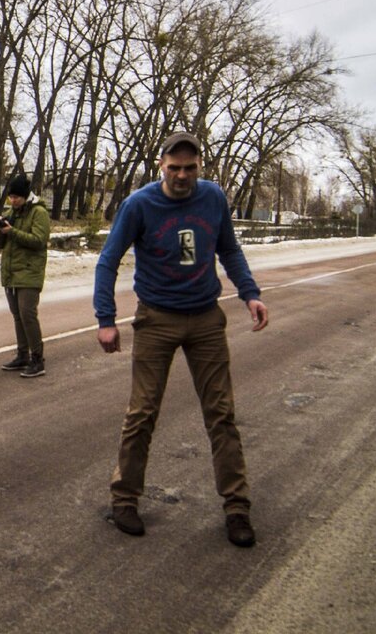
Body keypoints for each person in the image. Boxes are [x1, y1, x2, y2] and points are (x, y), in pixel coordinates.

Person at [94, 131, 269, 548]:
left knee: (221, 414)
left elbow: (229, 250)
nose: (182, 176)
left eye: (190, 168)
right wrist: (106, 318)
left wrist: (251, 294)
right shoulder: (139, 204)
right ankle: (124, 499)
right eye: (174, 168)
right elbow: (108, 260)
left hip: (206, 318)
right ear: (161, 165)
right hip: (156, 319)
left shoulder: (213, 198)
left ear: (200, 167)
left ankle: (237, 508)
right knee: (142, 413)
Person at [0, 174, 51, 378]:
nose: (13, 201)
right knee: (18, 316)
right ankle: (22, 355)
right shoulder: (11, 212)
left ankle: (37, 359)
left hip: (29, 271)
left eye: (17, 197)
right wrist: (1, 230)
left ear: (26, 196)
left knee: (28, 314)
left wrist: (13, 232)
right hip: (11, 272)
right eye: (11, 197)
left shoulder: (39, 212)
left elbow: (39, 240)